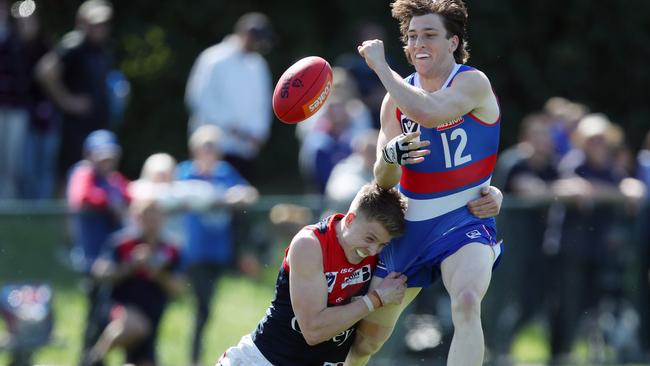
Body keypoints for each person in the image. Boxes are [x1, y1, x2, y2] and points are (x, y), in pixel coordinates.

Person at [346, 1, 503, 365]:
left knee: (466, 303)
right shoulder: (394, 101)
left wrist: (381, 67)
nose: (419, 43)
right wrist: (389, 157)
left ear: (453, 41)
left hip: (465, 218)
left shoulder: (472, 82)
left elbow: (429, 112)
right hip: (408, 225)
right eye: (412, 36)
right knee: (365, 342)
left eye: (430, 35)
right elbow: (383, 179)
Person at [216, 183, 409, 366]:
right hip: (264, 361)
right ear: (349, 220)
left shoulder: (374, 253)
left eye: (382, 244)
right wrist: (375, 299)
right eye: (370, 238)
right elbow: (313, 331)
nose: (373, 251)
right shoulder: (310, 245)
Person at [177, 125, 259, 366]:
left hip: (220, 251)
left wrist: (235, 195)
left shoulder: (225, 173)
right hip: (194, 252)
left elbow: (249, 194)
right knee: (201, 309)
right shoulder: (185, 173)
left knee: (210, 306)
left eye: (214, 148)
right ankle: (194, 359)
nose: (210, 153)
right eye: (206, 148)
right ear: (195, 150)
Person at [85, 199, 185, 366]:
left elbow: (180, 287)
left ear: (163, 218)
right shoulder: (122, 243)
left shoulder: (171, 250)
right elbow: (100, 272)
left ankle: (97, 356)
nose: (151, 220)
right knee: (135, 326)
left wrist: (157, 272)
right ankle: (97, 356)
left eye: (156, 215)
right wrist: (130, 266)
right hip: (120, 308)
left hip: (152, 317)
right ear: (136, 217)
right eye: (146, 215)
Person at [185, 12, 274, 182]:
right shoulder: (214, 59)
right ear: (247, 35)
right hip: (213, 150)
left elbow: (263, 103)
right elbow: (199, 98)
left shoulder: (258, 65)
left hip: (245, 150)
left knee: (242, 202)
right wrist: (232, 127)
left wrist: (259, 133)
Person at [36, 0, 116, 178]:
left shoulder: (103, 49)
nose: (100, 28)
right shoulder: (74, 45)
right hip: (75, 127)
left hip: (96, 124)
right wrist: (67, 101)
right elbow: (45, 71)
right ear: (83, 23)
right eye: (95, 23)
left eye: (104, 23)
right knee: (70, 173)